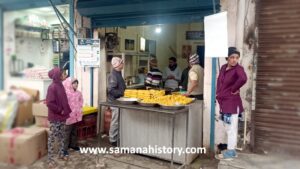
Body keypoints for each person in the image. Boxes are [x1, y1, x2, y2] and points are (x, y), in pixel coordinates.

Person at [215, 47, 247, 160]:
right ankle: (229, 149)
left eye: (237, 58)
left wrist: (234, 89)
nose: (234, 60)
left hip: (232, 104)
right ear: (227, 58)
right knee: (227, 127)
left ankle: (231, 152)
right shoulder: (224, 67)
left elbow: (243, 78)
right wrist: (218, 94)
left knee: (231, 129)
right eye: (232, 57)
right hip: (223, 103)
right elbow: (220, 82)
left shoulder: (238, 69)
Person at [46, 67, 71, 167]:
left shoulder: (60, 85)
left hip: (62, 117)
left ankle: (61, 154)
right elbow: (49, 103)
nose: (64, 75)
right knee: (52, 139)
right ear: (57, 75)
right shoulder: (52, 87)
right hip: (55, 117)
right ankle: (50, 160)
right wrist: (60, 110)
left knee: (62, 137)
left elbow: (63, 100)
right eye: (62, 74)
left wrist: (65, 110)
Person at [62, 77, 83, 156]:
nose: (76, 84)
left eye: (77, 83)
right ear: (70, 84)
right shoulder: (66, 93)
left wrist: (79, 108)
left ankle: (73, 145)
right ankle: (64, 149)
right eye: (74, 83)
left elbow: (81, 100)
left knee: (74, 132)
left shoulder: (79, 93)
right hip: (69, 117)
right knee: (67, 133)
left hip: (76, 116)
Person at [107, 57, 126, 146]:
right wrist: (122, 93)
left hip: (119, 101)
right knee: (115, 121)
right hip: (114, 102)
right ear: (118, 65)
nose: (123, 64)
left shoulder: (118, 73)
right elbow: (111, 90)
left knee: (118, 120)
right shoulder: (113, 75)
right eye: (121, 63)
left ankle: (117, 137)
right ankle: (113, 139)